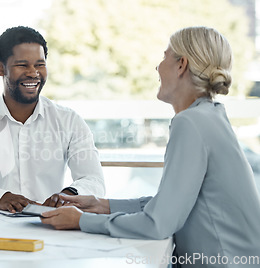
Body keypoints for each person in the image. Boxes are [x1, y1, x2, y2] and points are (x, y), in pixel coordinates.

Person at [40, 26, 260, 267]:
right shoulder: (211, 116)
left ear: (181, 65)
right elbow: (171, 203)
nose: (157, 66)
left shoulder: (190, 122)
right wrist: (101, 205)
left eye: (164, 56)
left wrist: (81, 221)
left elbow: (158, 223)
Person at [0, 26, 105, 212]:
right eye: (22, 65)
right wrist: (0, 197)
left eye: (40, 64)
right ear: (0, 68)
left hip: (51, 225)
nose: (33, 73)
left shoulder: (69, 121)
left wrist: (69, 195)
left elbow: (94, 180)